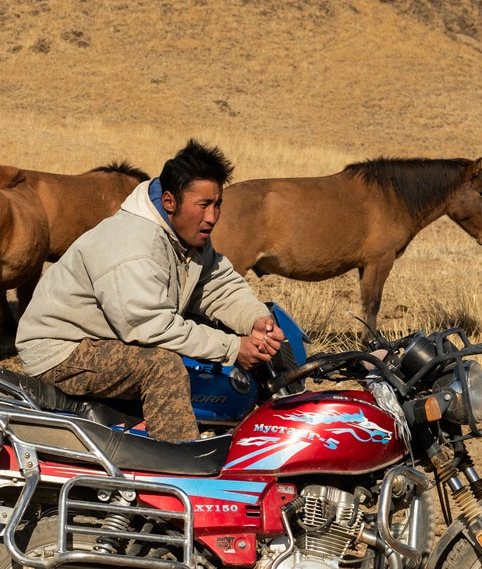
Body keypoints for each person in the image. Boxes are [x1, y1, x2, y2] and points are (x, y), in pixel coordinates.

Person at [15, 139, 285, 442]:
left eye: (217, 203)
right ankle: (181, 466)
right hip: (62, 349)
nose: (212, 217)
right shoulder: (132, 245)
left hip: (105, 336)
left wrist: (256, 320)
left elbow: (217, 285)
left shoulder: (186, 233)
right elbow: (149, 326)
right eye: (203, 206)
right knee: (162, 367)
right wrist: (232, 348)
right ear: (169, 201)